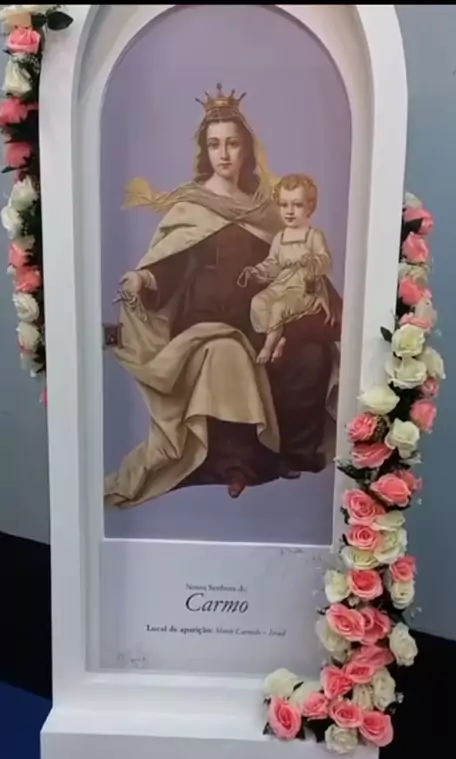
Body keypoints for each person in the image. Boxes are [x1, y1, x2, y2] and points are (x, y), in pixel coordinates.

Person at [104, 84, 342, 508]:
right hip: (205, 316)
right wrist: (142, 279)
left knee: (310, 354)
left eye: (232, 143)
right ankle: (235, 463)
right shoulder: (191, 206)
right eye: (215, 145)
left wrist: (317, 296)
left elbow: (287, 262)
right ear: (205, 151)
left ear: (247, 149)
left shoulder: (264, 209)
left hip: (255, 315)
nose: (224, 154)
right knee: (226, 353)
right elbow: (170, 265)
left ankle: (290, 453)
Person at [238, 173, 334, 364]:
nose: (289, 211)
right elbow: (273, 264)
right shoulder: (279, 238)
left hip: (304, 288)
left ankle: (269, 347)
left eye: (297, 205)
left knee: (279, 307)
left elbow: (326, 260)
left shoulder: (313, 235)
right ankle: (278, 337)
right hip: (281, 284)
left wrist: (314, 262)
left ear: (309, 207)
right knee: (258, 302)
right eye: (284, 205)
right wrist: (257, 272)